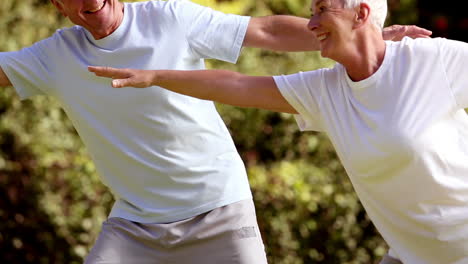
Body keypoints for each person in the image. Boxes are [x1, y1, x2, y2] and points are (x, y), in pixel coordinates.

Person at [0, 0, 430, 263]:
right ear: (59, 5)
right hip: (135, 226)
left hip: (219, 211)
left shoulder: (170, 18)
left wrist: (362, 32)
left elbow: (264, 30)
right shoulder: (55, 55)